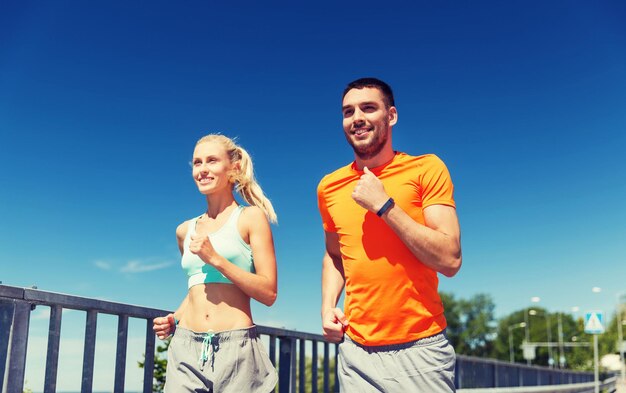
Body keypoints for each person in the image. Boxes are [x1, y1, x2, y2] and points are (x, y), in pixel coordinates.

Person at [317, 78, 462, 392]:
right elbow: (334, 254)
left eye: (368, 108)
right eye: (348, 111)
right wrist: (328, 305)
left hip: (420, 352)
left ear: (391, 115)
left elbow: (450, 259)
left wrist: (384, 205)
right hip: (355, 353)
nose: (357, 118)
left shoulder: (426, 168)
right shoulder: (328, 186)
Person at [153, 134, 278, 393]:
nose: (203, 169)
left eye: (212, 161)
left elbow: (268, 293)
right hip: (185, 349)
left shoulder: (251, 218)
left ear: (233, 168)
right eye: (197, 163)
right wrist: (174, 319)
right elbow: (199, 287)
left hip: (237, 351)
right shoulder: (184, 230)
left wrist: (216, 259)